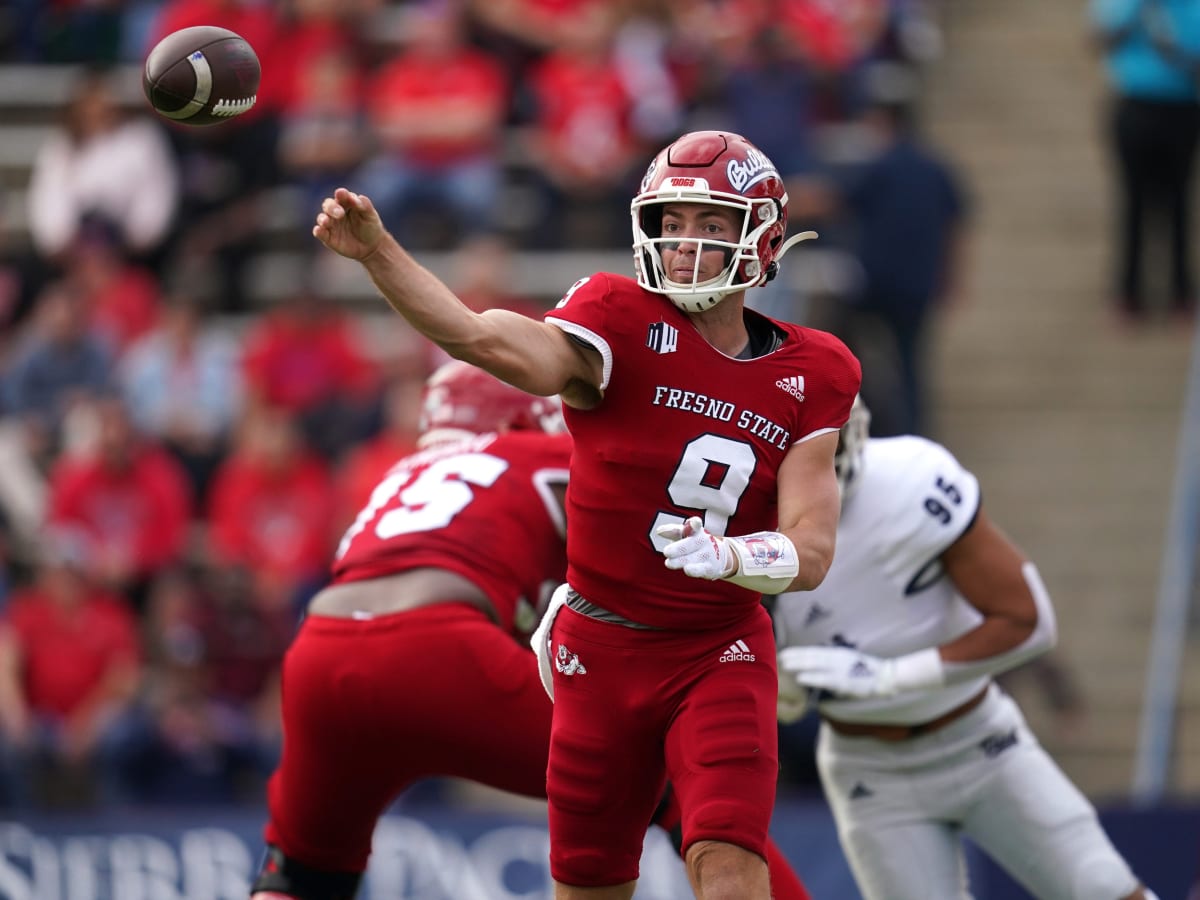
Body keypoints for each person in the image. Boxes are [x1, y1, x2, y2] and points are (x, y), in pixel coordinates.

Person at [310, 130, 860, 899]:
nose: (684, 244)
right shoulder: (617, 315)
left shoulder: (816, 369)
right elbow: (478, 337)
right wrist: (379, 255)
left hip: (718, 647)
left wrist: (734, 558)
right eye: (672, 223)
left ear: (762, 238)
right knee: (591, 884)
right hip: (597, 652)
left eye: (710, 224)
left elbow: (814, 546)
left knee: (728, 855)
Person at [249, 360, 814, 900]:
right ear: (522, 413)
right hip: (438, 649)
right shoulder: (540, 452)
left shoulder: (399, 473)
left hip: (319, 652)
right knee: (664, 773)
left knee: (302, 875)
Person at [774, 396, 1160, 900]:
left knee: (1102, 888)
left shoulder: (909, 481)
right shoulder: (733, 525)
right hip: (867, 768)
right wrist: (771, 685)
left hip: (978, 737)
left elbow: (1029, 618)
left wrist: (892, 677)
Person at [1090, 0, 1200, 324]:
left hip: (1182, 107)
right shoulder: (1122, 3)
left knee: (1179, 202)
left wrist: (1176, 53)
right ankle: (1128, 294)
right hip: (1134, 104)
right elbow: (1101, 41)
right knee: (1133, 201)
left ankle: (1182, 293)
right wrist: (1137, 13)